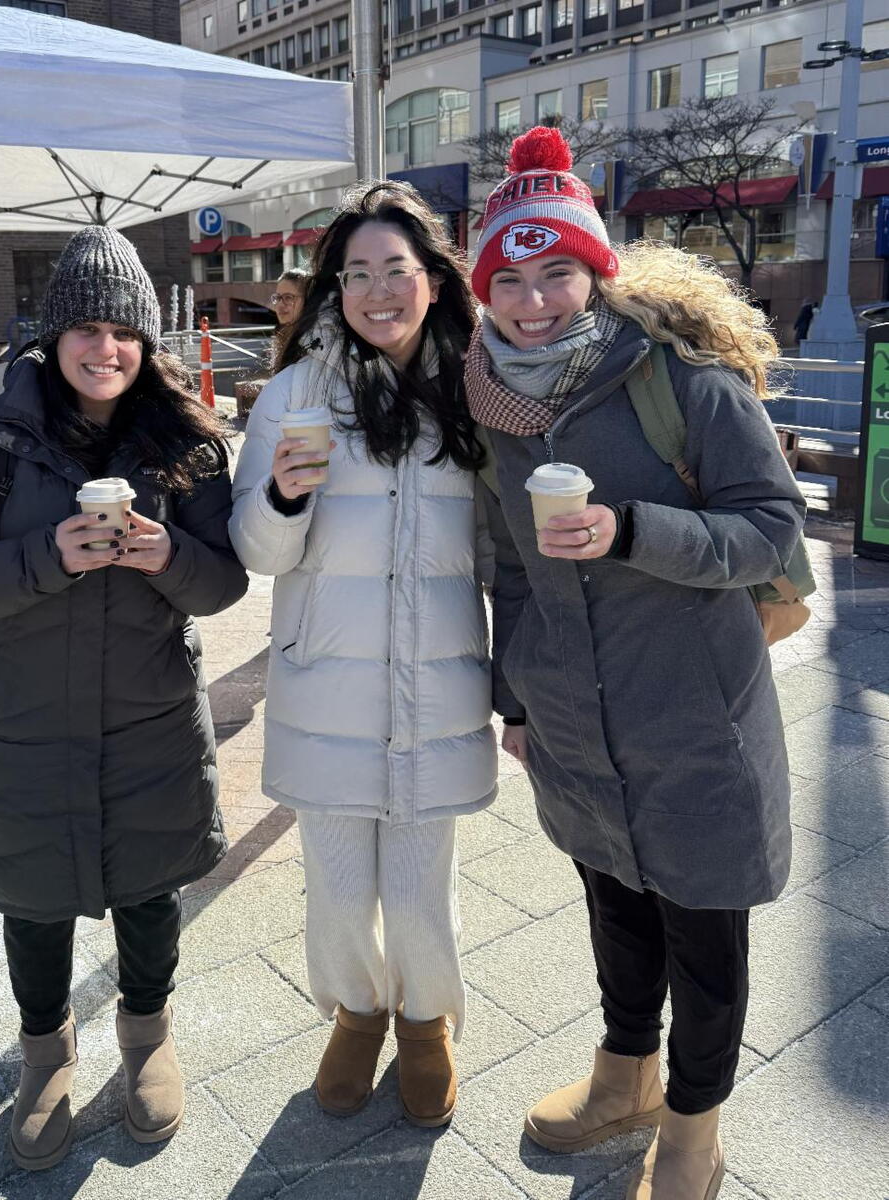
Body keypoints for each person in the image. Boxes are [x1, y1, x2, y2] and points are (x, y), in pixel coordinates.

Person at [466, 127, 806, 1200]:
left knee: (703, 937)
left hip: (693, 715)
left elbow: (770, 534)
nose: (532, 302)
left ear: (594, 271)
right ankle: (625, 1076)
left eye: (555, 271)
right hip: (573, 721)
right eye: (508, 281)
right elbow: (509, 573)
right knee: (614, 905)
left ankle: (694, 1129)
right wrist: (511, 702)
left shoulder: (683, 384)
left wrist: (630, 531)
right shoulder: (492, 407)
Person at [0, 226, 248, 1171]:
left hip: (149, 721)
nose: (107, 350)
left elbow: (224, 586)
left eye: (126, 333)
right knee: (35, 898)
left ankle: (146, 1037)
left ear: (148, 344)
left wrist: (168, 554)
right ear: (54, 339)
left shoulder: (184, 439)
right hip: (22, 721)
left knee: (147, 890)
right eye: (88, 330)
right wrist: (48, 556)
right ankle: (43, 1055)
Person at [228, 181, 495, 1128]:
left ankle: (426, 1025)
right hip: (324, 683)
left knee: (421, 892)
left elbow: (503, 546)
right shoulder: (297, 392)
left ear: (432, 281)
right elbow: (254, 552)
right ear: (335, 288)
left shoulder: (478, 388)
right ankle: (355, 1013)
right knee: (339, 887)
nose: (377, 290)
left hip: (440, 683)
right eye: (357, 275)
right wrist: (284, 500)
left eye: (397, 270)